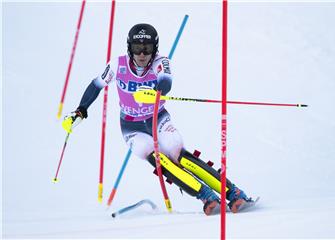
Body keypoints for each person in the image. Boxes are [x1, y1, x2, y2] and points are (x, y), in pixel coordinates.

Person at [62, 23, 253, 215]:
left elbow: (166, 82)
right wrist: (80, 110)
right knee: (157, 158)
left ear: (155, 48)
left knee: (175, 150)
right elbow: (96, 85)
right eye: (137, 49)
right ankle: (206, 196)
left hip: (158, 118)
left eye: (147, 48)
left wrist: (155, 92)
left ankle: (234, 193)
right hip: (132, 126)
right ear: (130, 47)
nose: (142, 54)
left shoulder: (160, 61)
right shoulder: (117, 65)